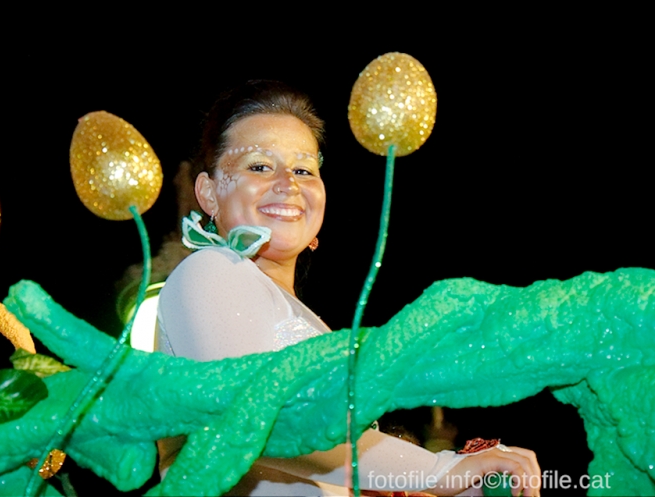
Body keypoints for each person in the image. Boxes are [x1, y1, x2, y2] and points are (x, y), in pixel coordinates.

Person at [156, 80, 541, 496]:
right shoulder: (209, 271)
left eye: (304, 169)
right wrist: (437, 471)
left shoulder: (310, 323)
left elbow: (340, 467)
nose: (288, 184)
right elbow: (253, 419)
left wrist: (470, 482)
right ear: (209, 194)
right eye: (259, 166)